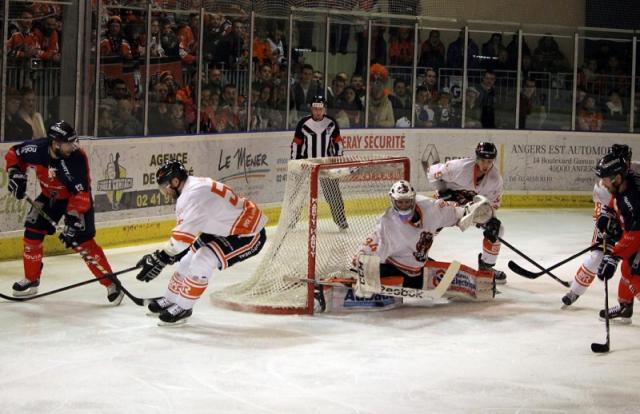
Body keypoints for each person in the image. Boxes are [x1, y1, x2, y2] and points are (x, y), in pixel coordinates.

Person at [136, 160, 268, 325]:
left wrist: (159, 258)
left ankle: (184, 307)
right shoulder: (192, 185)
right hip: (224, 227)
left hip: (247, 232)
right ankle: (171, 299)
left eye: (166, 187)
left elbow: (180, 241)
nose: (165, 192)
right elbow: (187, 236)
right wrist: (170, 255)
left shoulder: (192, 196)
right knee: (186, 261)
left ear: (175, 181)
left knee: (202, 260)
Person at [4, 121, 122, 304]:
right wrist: (15, 172)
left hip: (75, 200)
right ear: (55, 143)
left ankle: (111, 283)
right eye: (69, 142)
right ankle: (31, 279)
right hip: (49, 197)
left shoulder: (76, 158)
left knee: (82, 242)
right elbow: (14, 153)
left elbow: (81, 194)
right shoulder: (37, 149)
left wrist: (73, 222)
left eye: (74, 141)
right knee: (32, 231)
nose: (74, 145)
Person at [344, 180, 498, 309]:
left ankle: (483, 284)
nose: (404, 205)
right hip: (394, 269)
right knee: (362, 281)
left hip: (419, 268)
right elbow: (367, 251)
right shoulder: (387, 224)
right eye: (400, 202)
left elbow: (461, 214)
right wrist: (362, 275)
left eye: (407, 201)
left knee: (476, 284)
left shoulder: (431, 207)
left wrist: (484, 218)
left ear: (413, 198)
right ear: (393, 201)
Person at [562, 144, 634, 307]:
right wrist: (609, 229)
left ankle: (626, 305)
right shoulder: (604, 185)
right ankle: (574, 291)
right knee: (597, 257)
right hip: (611, 224)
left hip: (631, 226)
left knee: (632, 264)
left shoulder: (631, 178)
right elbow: (604, 213)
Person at [427, 142, 506, 284]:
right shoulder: (458, 167)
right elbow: (431, 171)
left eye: (489, 161)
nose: (486, 165)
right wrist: (442, 190)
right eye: (483, 160)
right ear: (477, 158)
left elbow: (493, 203)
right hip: (449, 203)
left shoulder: (495, 180)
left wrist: (490, 218)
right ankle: (419, 257)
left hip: (473, 209)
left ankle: (486, 268)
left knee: (498, 229)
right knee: (429, 223)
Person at [592, 151, 640, 323]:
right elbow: (616, 201)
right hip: (635, 233)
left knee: (636, 274)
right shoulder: (625, 184)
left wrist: (614, 256)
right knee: (627, 269)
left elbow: (635, 235)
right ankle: (625, 307)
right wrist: (607, 213)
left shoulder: (632, 199)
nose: (603, 184)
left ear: (617, 178)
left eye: (605, 179)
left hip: (638, 235)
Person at [291, 96, 348, 230]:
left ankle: (341, 221)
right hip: (307, 165)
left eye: (320, 109)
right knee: (298, 195)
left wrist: (338, 160)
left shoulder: (331, 123)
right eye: (315, 108)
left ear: (324, 109)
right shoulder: (303, 123)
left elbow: (338, 142)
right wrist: (295, 162)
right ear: (311, 108)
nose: (317, 111)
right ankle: (291, 220)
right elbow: (296, 144)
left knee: (333, 195)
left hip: (326, 165)